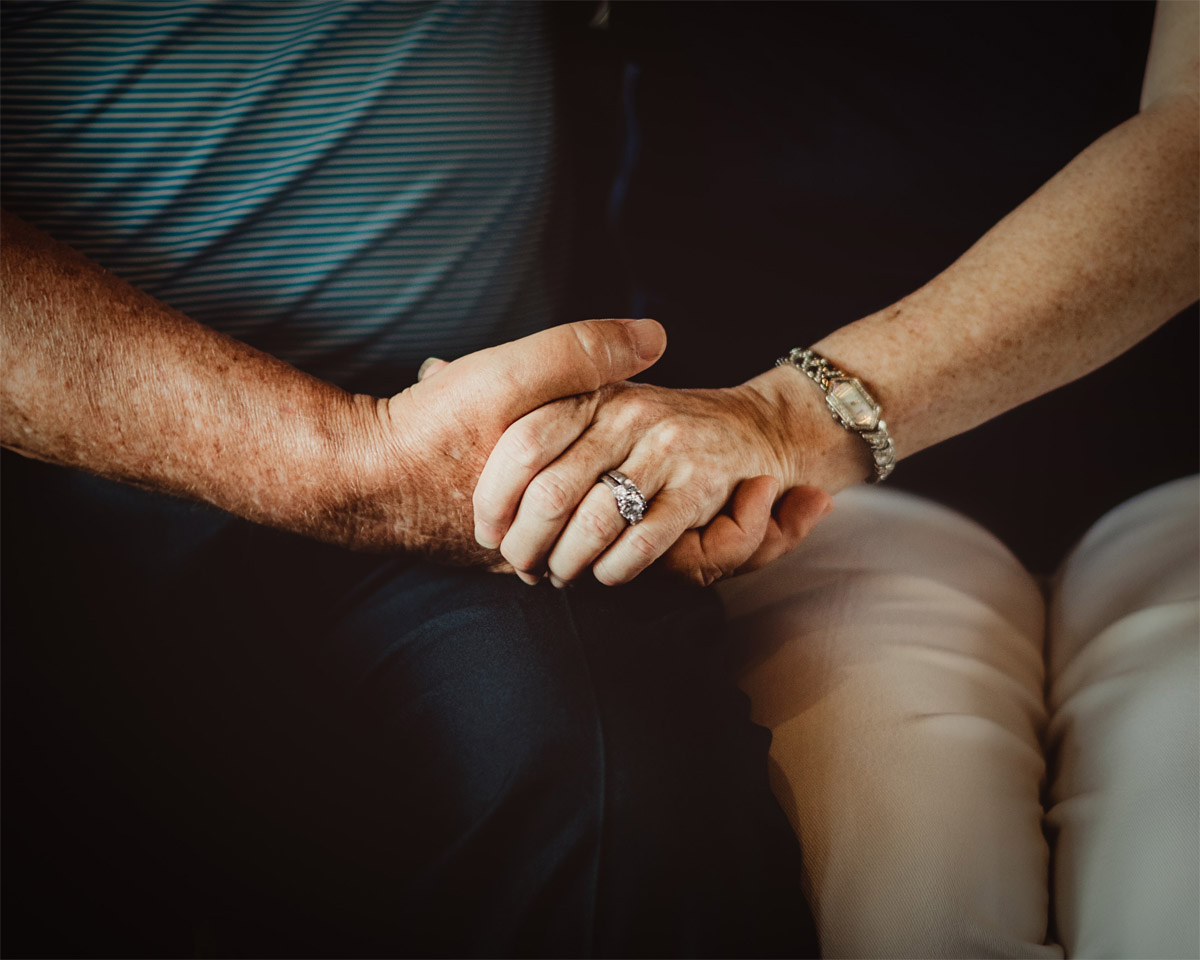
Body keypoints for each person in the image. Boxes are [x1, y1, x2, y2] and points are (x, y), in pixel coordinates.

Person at [2, 0, 1196, 956]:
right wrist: (349, 455)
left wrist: (787, 417)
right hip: (816, 494)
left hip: (1066, 460)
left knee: (1171, 894)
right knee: (905, 906)